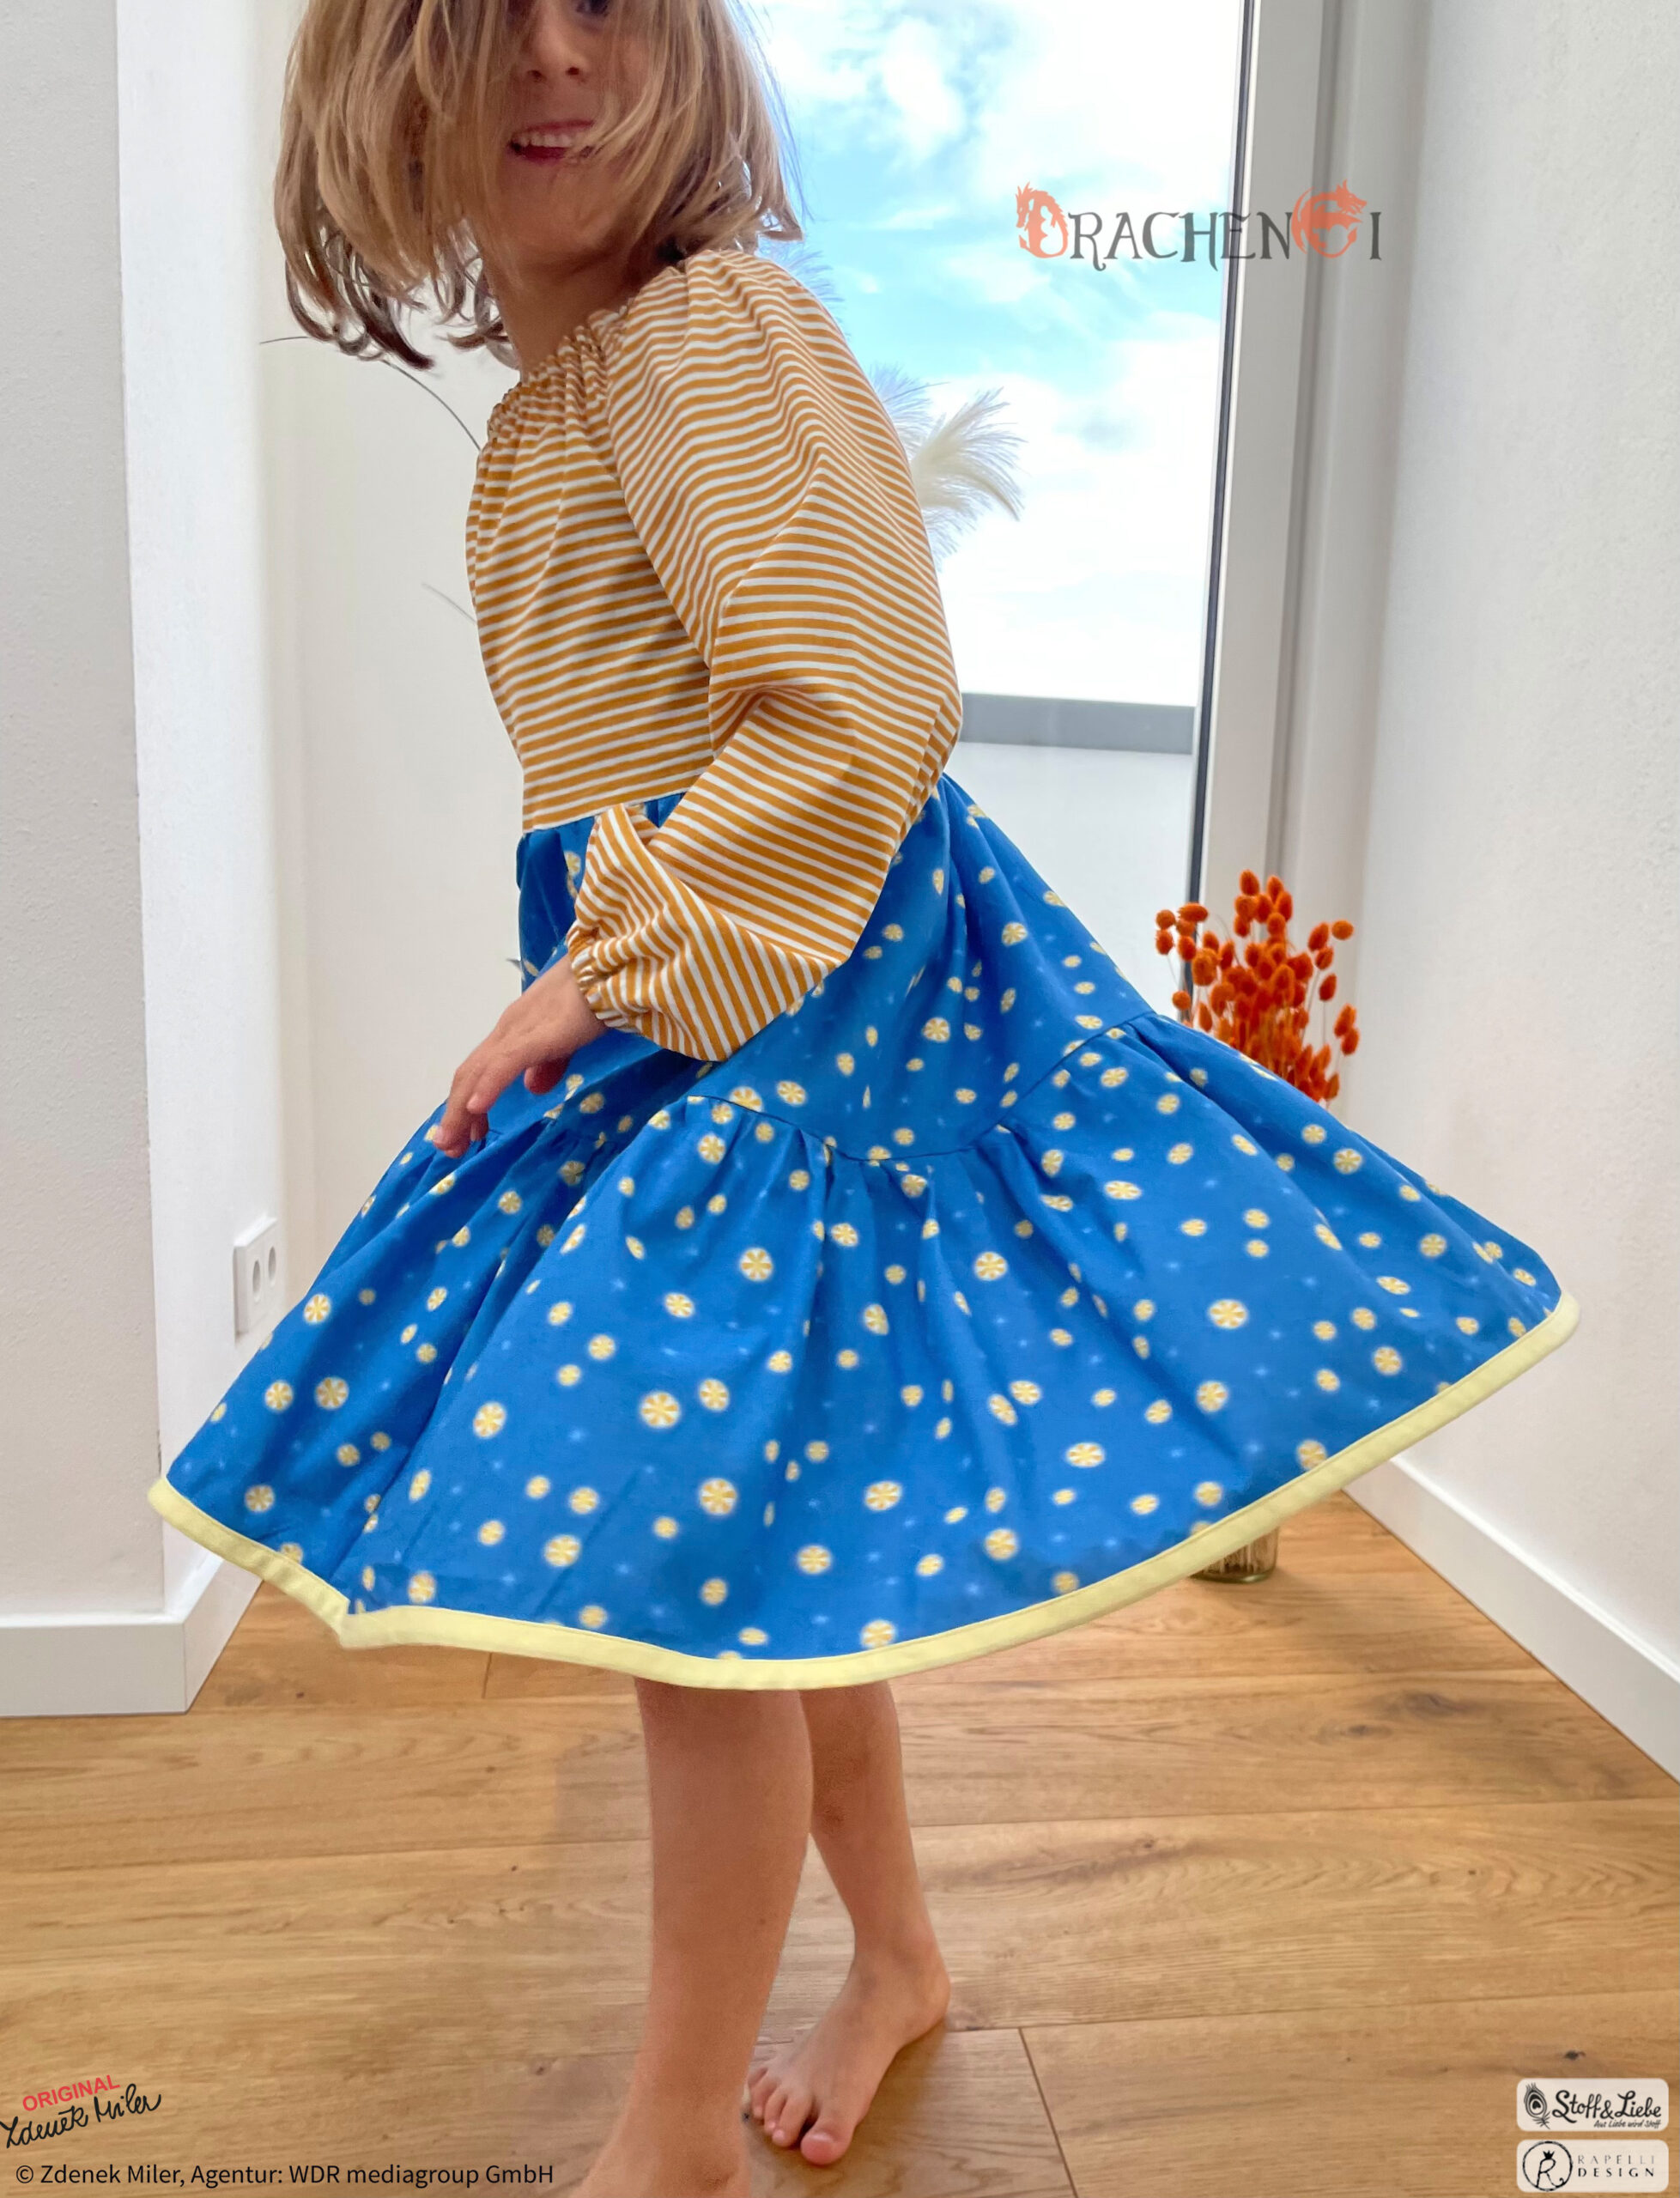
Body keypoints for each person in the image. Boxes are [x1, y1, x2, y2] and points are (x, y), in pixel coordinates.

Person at [147, 2, 1577, 2193]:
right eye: (491, 13)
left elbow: (860, 692)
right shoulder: (565, 400)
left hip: (783, 1007)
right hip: (711, 998)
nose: (556, 59)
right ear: (380, 79)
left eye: (610, 5)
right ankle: (894, 1956)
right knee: (769, 1550)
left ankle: (669, 2136)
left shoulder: (703, 330)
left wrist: (600, 976)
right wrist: (601, 966)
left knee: (691, 1588)